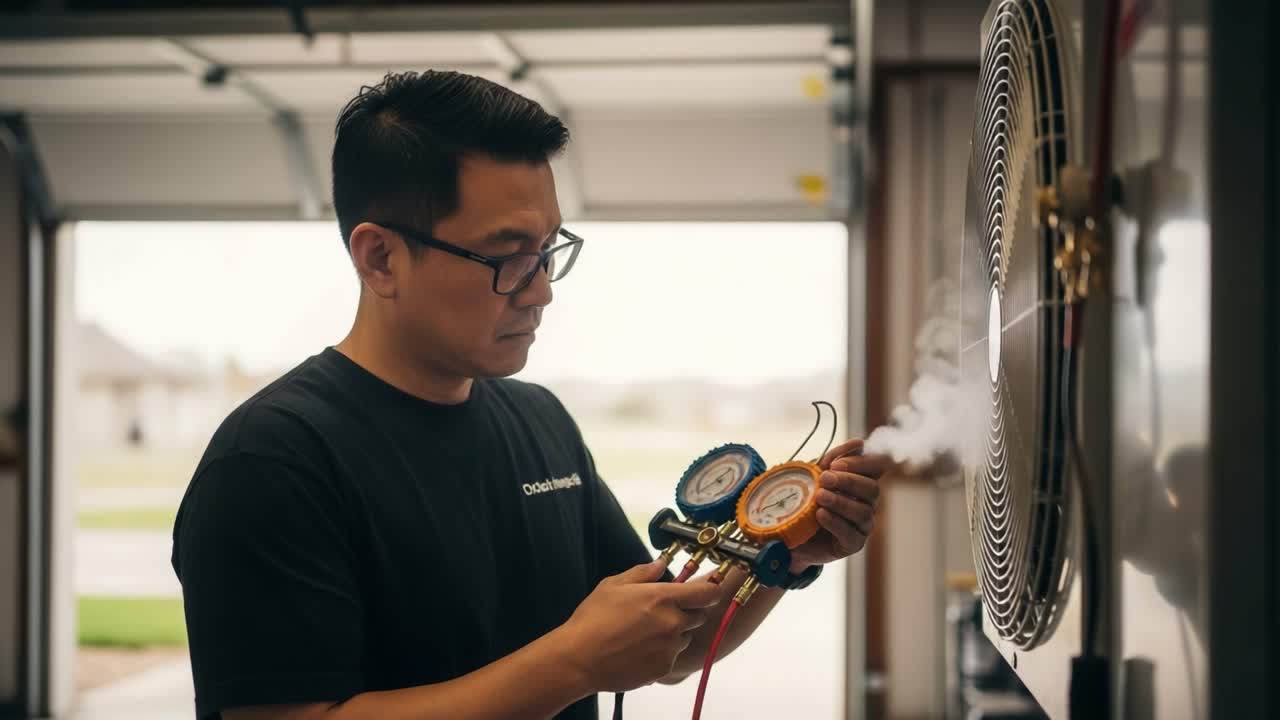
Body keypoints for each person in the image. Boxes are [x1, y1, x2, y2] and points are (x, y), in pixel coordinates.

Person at [171, 70, 885, 720]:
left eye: (548, 250)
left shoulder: (537, 418)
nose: (542, 289)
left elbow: (667, 645)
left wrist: (788, 554)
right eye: (509, 257)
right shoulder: (272, 461)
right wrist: (570, 662)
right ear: (380, 257)